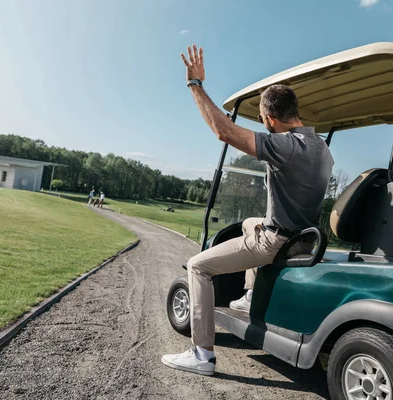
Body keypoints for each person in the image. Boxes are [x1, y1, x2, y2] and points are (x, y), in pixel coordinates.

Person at [161, 45, 334, 377]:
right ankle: (251, 294)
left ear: (270, 118)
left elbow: (223, 131)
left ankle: (202, 354)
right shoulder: (322, 148)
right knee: (250, 222)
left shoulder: (285, 146)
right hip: (303, 238)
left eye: (265, 121)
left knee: (198, 267)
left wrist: (194, 85)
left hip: (275, 243)